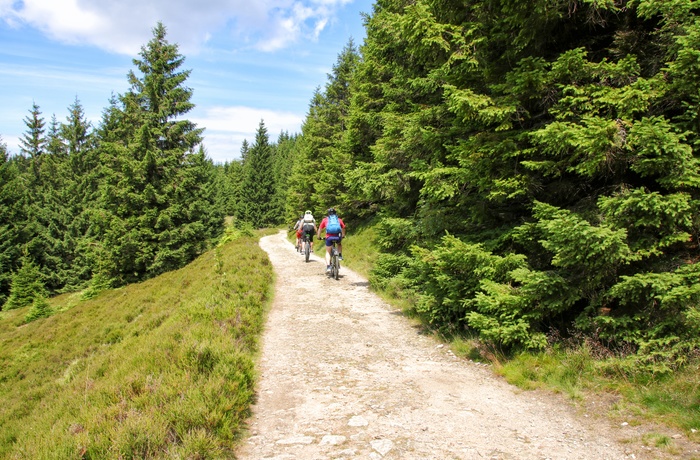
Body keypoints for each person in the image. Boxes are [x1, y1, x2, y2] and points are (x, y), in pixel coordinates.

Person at [317, 207, 346, 272]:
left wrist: (318, 237)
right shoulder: (338, 219)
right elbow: (343, 227)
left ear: (328, 214)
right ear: (335, 213)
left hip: (329, 237)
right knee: (339, 244)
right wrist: (343, 235)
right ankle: (340, 255)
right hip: (338, 237)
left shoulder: (325, 220)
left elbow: (320, 229)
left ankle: (328, 266)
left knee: (328, 252)